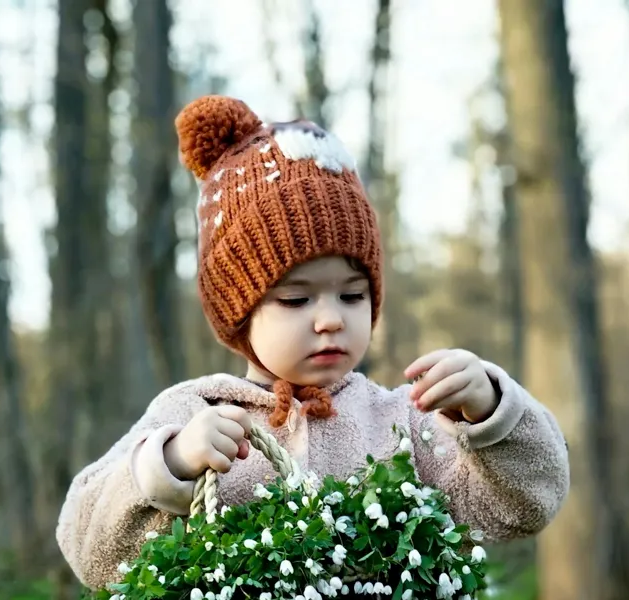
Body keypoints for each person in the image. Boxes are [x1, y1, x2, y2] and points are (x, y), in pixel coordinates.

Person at [55, 95, 570, 591]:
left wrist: (490, 413)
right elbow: (87, 549)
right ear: (240, 310)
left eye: (351, 295)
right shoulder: (194, 413)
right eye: (296, 301)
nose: (330, 320)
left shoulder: (402, 424)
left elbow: (526, 504)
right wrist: (169, 465)